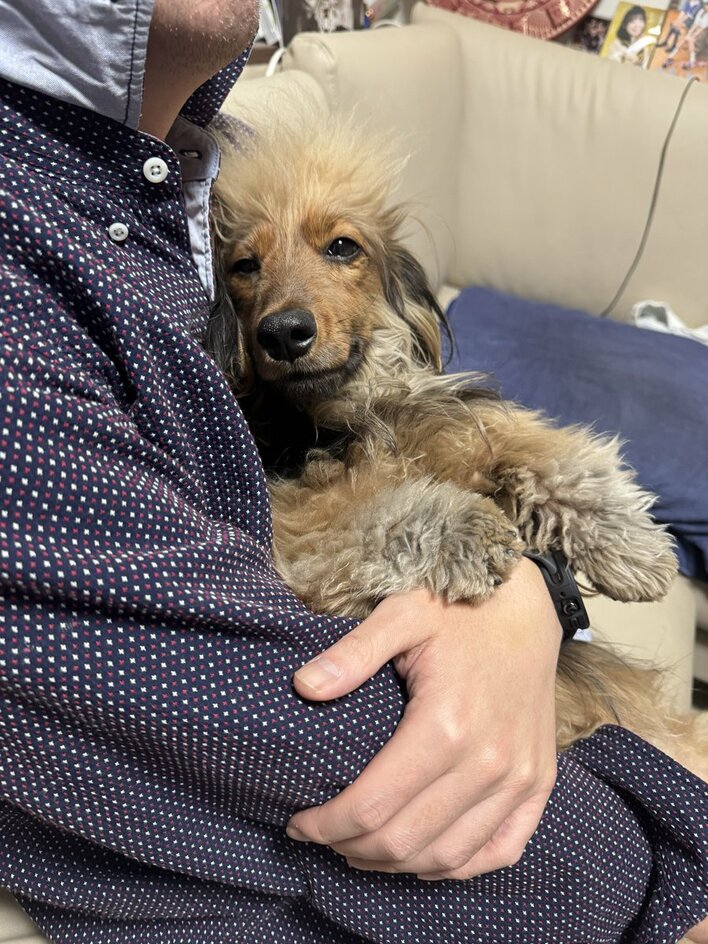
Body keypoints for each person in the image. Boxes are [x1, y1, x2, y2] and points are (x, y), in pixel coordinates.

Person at [0, 1, 706, 941]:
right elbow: (279, 699)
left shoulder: (182, 171)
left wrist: (536, 589)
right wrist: (680, 864)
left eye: (340, 250)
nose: (286, 307)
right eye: (247, 270)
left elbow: (465, 448)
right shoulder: (36, 283)